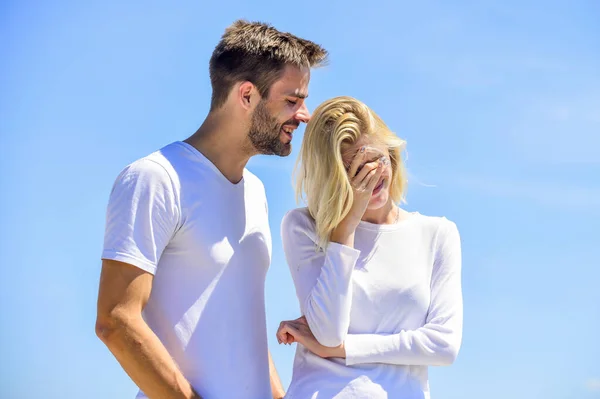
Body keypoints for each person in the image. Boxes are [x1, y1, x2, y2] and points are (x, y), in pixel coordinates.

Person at [95, 20, 327, 399]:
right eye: (292, 100)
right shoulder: (156, 178)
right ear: (247, 95)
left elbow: (239, 324)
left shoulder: (256, 192)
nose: (304, 115)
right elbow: (116, 320)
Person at [276, 96, 463, 399]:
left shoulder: (437, 233)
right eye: (351, 169)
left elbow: (443, 345)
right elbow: (327, 331)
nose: (368, 177)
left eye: (373, 160)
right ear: (332, 175)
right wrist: (345, 227)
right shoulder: (303, 226)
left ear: (391, 154)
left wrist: (342, 349)